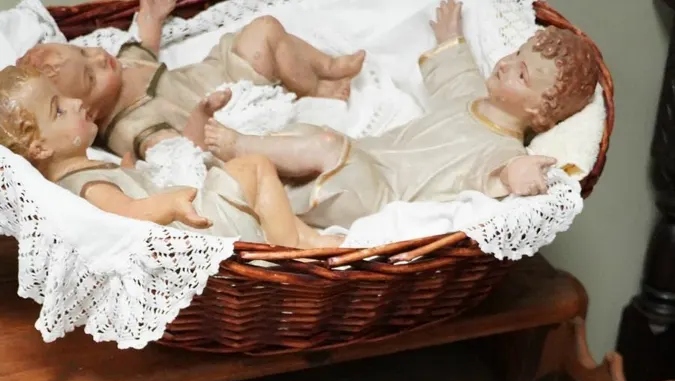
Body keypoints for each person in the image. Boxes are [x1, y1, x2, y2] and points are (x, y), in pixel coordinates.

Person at [203, 0, 599, 229]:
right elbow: (455, 63)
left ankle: (236, 146)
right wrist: (449, 34)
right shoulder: (471, 95)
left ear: (539, 113)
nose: (506, 64)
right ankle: (254, 181)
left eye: (522, 74)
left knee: (325, 145)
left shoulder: (500, 149)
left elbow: (504, 174)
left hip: (381, 196)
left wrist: (522, 174)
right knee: (309, 132)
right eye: (514, 55)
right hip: (363, 158)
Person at [0, 65, 341, 249]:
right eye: (58, 109)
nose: (74, 102)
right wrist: (171, 205)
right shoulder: (85, 186)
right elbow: (130, 213)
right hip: (191, 231)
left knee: (248, 179)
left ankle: (297, 238)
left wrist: (128, 169)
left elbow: (124, 189)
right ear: (39, 149)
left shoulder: (85, 169)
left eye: (63, 97)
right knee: (252, 166)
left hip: (186, 219)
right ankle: (297, 245)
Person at [18, 0, 365, 160]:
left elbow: (145, 42)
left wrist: (152, 14)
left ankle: (328, 66)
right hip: (228, 103)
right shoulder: (129, 128)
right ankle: (315, 88)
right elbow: (180, 154)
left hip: (221, 69)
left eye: (85, 52)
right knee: (267, 35)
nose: (98, 57)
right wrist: (201, 119)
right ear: (87, 113)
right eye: (90, 75)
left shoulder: (123, 65)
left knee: (265, 28)